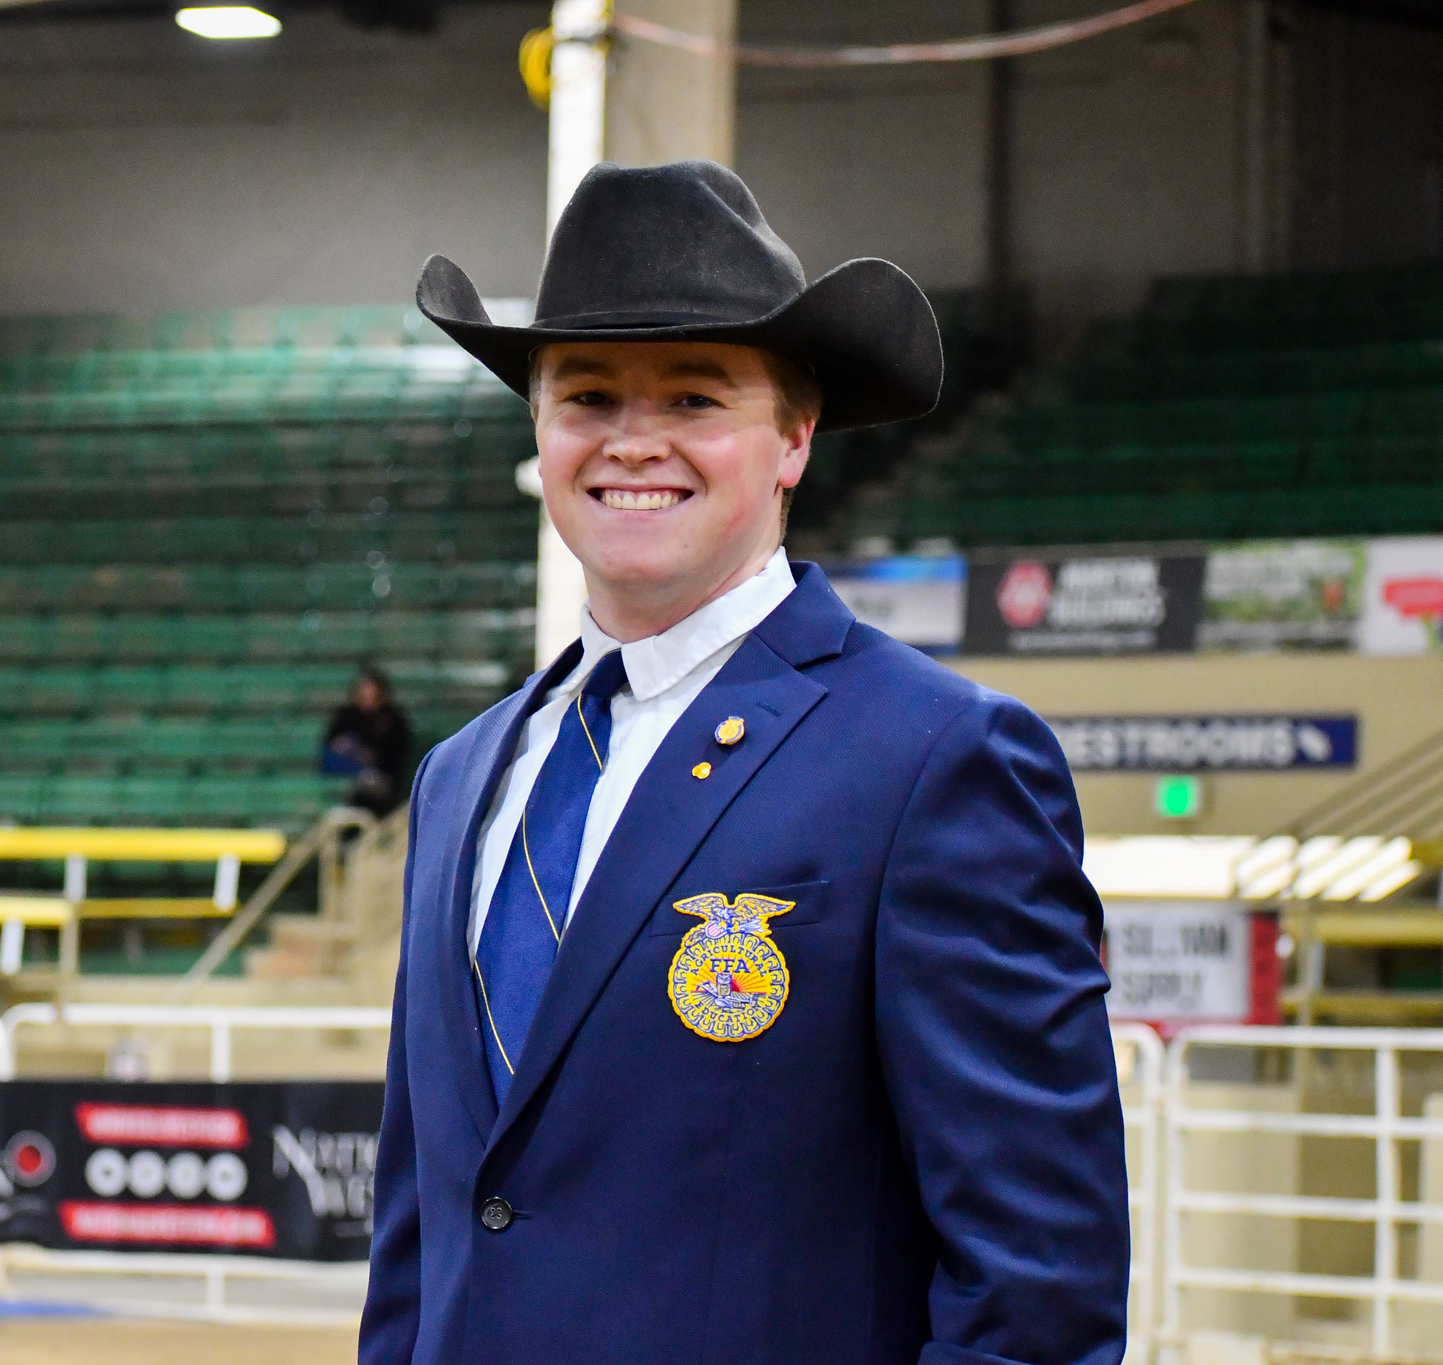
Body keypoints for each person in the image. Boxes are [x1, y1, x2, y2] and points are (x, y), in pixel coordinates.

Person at [360, 161, 1129, 1365]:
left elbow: (1034, 1290)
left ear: (793, 440)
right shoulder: (457, 778)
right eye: (589, 395)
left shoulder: (935, 762)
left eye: (693, 399)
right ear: (538, 429)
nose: (632, 441)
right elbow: (422, 1233)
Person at [321, 665, 414, 816]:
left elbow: (397, 755)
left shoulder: (393, 720)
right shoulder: (346, 716)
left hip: (383, 781)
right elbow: (329, 748)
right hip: (349, 775)